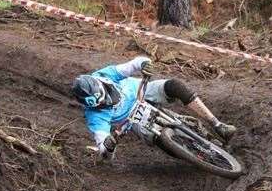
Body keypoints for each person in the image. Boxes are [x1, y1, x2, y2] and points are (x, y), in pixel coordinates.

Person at [71, 55, 236, 159]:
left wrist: (145, 65)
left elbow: (135, 63)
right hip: (133, 120)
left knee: (174, 86)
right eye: (101, 104)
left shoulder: (104, 74)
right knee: (166, 145)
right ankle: (199, 157)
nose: (105, 103)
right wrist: (108, 147)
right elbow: (103, 149)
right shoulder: (94, 116)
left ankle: (217, 124)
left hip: (143, 90)